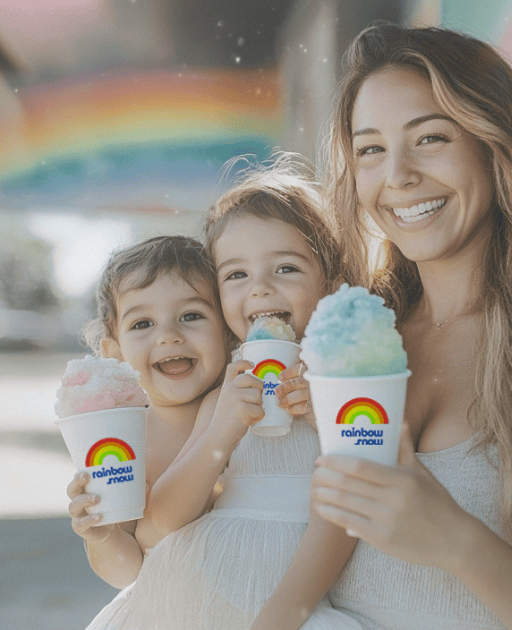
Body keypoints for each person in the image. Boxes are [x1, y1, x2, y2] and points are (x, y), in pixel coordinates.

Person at [309, 23, 512, 630]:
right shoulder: (347, 340)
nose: (397, 175)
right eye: (370, 148)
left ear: (494, 146)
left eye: (429, 138)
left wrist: (455, 540)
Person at [90, 158, 361, 629]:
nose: (260, 288)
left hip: (290, 601)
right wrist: (223, 429)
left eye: (286, 268)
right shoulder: (222, 397)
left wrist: (327, 418)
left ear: (332, 287)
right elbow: (158, 527)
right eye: (236, 275)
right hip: (193, 597)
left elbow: (376, 472)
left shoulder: (349, 386)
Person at [67, 236, 228, 618]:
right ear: (115, 353)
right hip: (168, 613)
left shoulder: (245, 405)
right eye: (142, 323)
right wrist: (101, 535)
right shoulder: (122, 442)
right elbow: (127, 571)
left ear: (228, 331)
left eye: (191, 315)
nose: (169, 335)